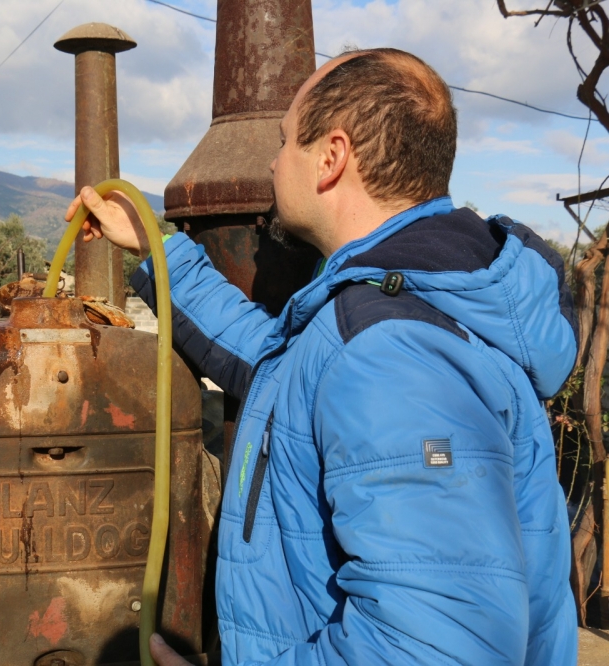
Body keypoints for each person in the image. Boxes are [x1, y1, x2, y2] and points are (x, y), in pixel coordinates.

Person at [68, 49, 577, 665]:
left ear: (331, 158)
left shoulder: (393, 353)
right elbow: (276, 366)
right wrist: (151, 243)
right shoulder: (397, 307)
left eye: (285, 142)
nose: (274, 160)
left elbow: (429, 649)